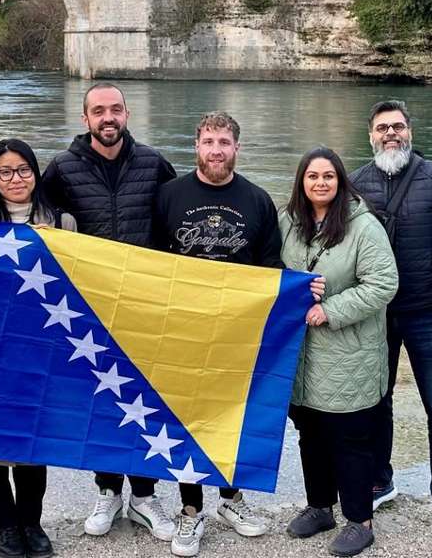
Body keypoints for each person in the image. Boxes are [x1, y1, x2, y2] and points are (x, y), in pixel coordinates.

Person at [41, 83, 178, 543]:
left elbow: (179, 223)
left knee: (146, 398)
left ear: (127, 114)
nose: (108, 118)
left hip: (145, 303)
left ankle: (145, 495)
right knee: (102, 401)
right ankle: (107, 491)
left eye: (115, 109)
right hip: (90, 305)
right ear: (85, 119)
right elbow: (34, 223)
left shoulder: (154, 164)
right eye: (98, 111)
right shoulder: (62, 168)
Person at [151, 110, 279, 557]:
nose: (216, 150)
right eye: (209, 142)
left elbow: (271, 268)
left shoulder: (258, 200)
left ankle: (231, 499)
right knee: (187, 417)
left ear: (236, 147)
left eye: (224, 142)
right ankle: (190, 510)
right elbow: (150, 262)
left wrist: (299, 292)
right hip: (184, 327)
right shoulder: (169, 195)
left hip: (237, 330)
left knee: (232, 416)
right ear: (197, 146)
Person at [350, 99, 432, 538]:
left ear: (410, 132)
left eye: (398, 126)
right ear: (370, 135)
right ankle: (379, 480)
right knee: (373, 402)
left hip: (430, 313)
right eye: (383, 127)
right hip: (374, 315)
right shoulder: (355, 183)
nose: (391, 134)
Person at [279, 148, 398, 557]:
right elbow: (272, 270)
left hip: (349, 353)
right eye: (312, 176)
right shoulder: (288, 222)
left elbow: (383, 283)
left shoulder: (363, 226)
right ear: (302, 182)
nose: (320, 183)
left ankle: (360, 521)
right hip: (302, 355)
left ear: (340, 181)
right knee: (310, 433)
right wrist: (292, 286)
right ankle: (319, 507)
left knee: (350, 438)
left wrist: (330, 309)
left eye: (328, 176)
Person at [0, 139, 74, 558]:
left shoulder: (63, 222)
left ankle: (31, 521)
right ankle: (5, 526)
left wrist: (55, 250)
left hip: (40, 348)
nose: (16, 179)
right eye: (5, 172)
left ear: (35, 173)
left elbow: (79, 287)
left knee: (33, 441)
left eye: (23, 170)